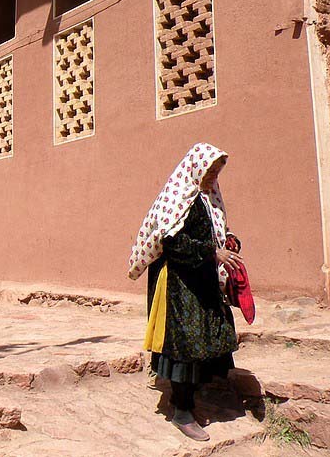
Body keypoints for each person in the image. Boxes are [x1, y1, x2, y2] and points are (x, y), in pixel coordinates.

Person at [128, 143, 243, 441]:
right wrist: (212, 253)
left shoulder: (208, 198)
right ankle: (181, 411)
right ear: (196, 168)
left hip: (200, 277)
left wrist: (229, 242)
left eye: (217, 171)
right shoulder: (178, 197)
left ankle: (193, 397)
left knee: (205, 338)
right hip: (179, 282)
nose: (213, 176)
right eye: (210, 170)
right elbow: (173, 243)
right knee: (185, 344)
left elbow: (215, 232)